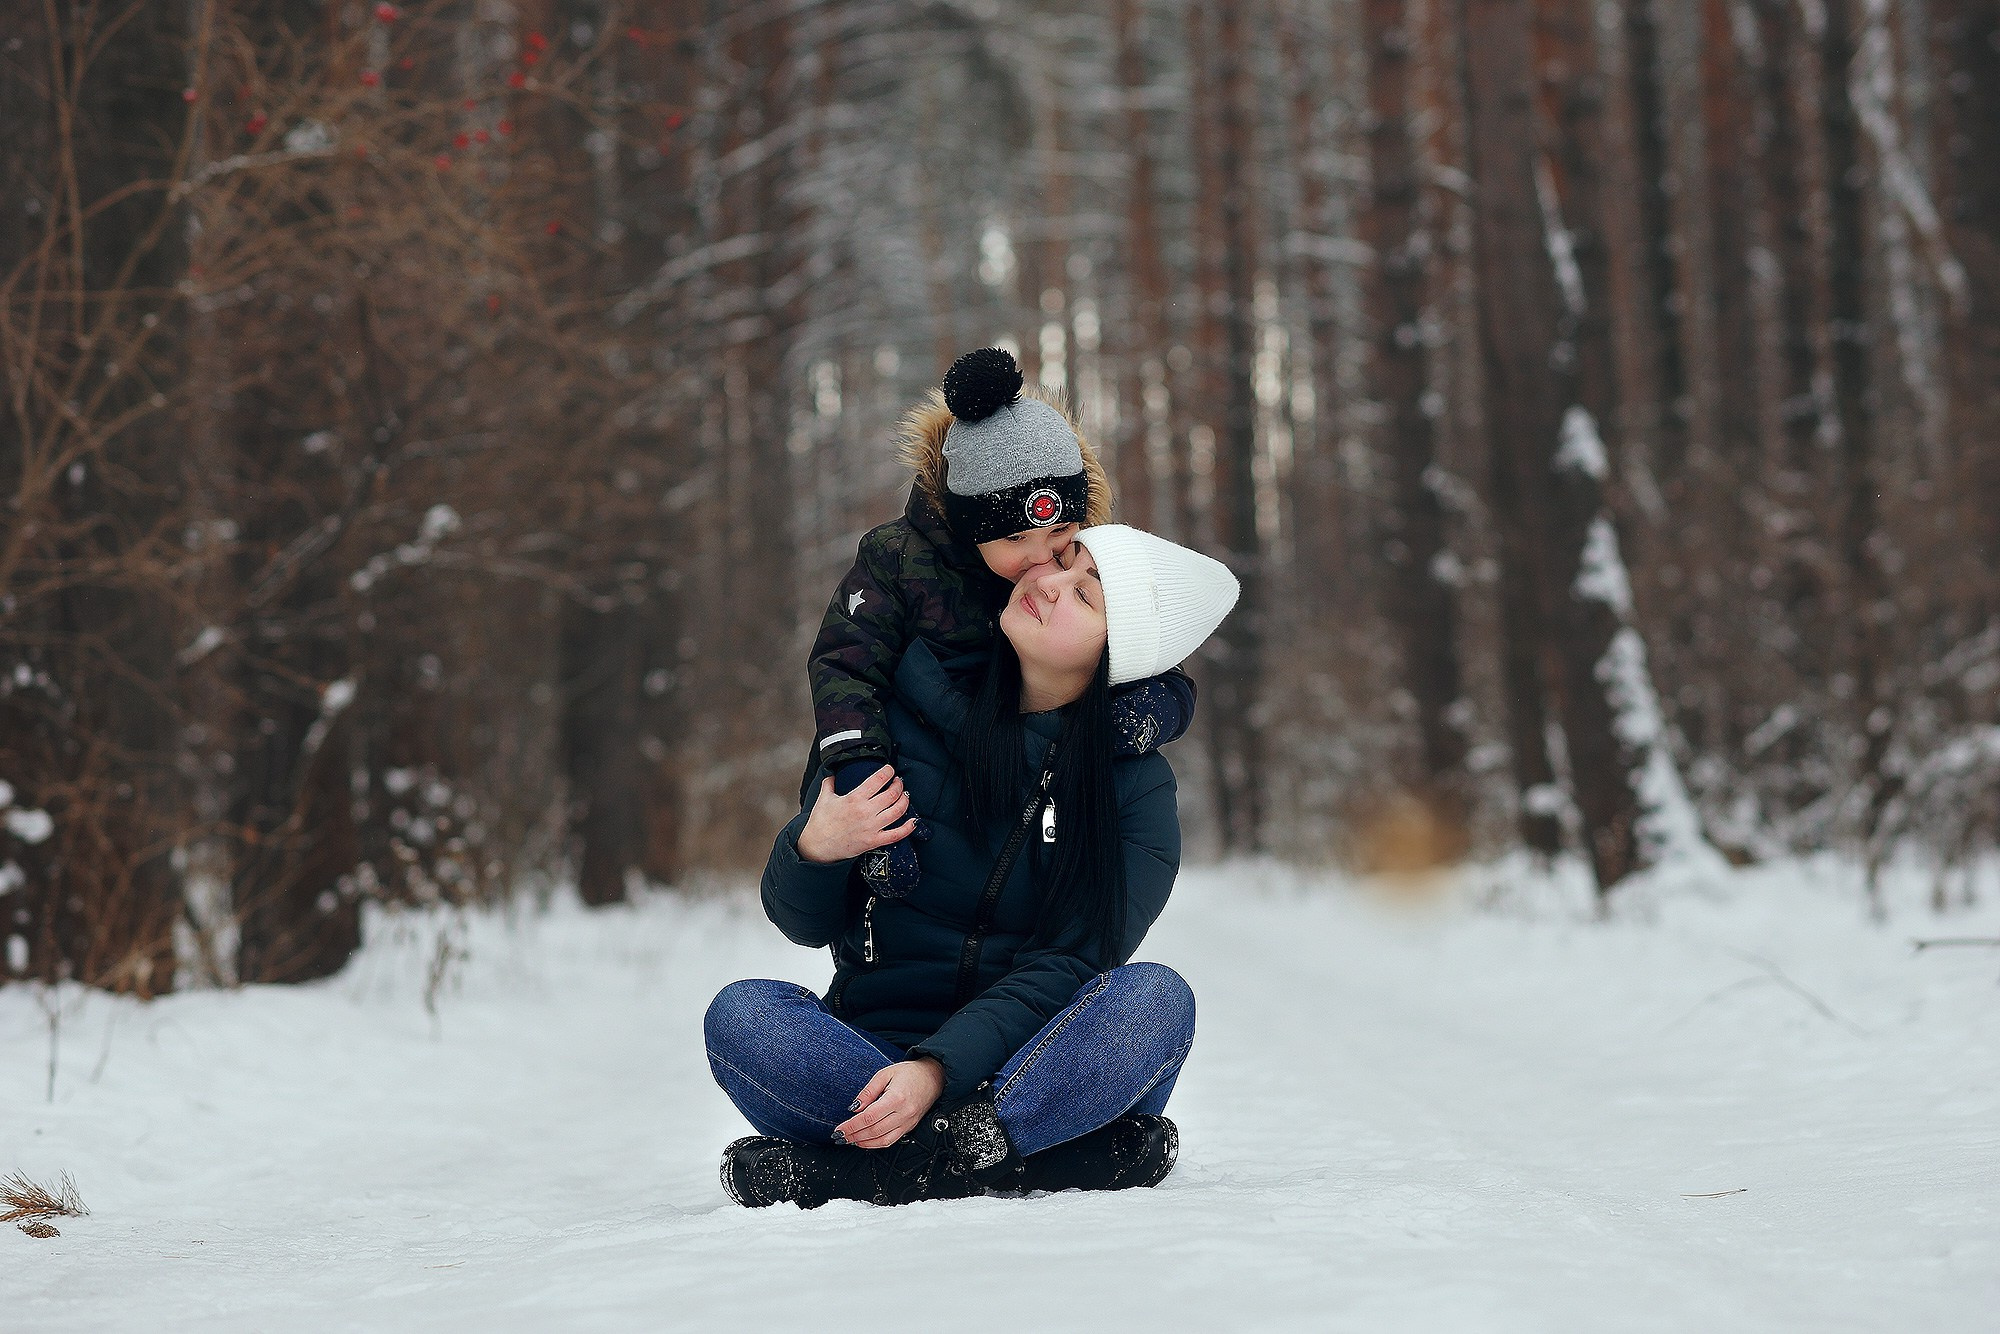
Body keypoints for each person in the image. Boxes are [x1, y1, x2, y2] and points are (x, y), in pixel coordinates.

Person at [707, 524, 1239, 1208]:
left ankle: (877, 1169)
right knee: (742, 1015)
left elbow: (1072, 963)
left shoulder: (1133, 791)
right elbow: (804, 923)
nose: (1046, 582)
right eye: (1062, 563)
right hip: (872, 1056)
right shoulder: (890, 721)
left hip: (1038, 1072)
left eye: (1085, 594)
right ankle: (1028, 1163)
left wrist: (937, 1072)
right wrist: (814, 849)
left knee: (1155, 1002)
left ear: (1121, 650)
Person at [802, 347, 1195, 901]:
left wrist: (1162, 705)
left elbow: (1148, 644)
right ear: (969, 528)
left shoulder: (1080, 566)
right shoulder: (900, 562)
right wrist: (862, 777)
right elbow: (844, 665)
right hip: (916, 752)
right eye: (1015, 540)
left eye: (1058, 538)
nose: (1041, 561)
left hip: (1024, 772)